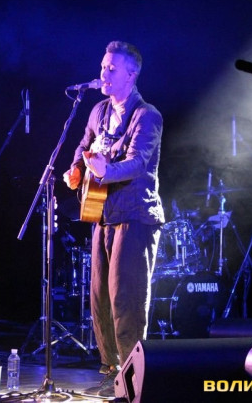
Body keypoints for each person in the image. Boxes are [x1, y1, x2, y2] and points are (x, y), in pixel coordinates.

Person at [62, 40, 165, 398]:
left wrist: (105, 171)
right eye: (102, 66)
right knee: (99, 298)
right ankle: (111, 371)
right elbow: (84, 145)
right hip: (103, 213)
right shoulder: (98, 111)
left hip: (136, 216)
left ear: (131, 74)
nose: (103, 73)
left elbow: (137, 162)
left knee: (126, 300)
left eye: (111, 68)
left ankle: (134, 379)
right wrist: (76, 170)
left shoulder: (147, 115)